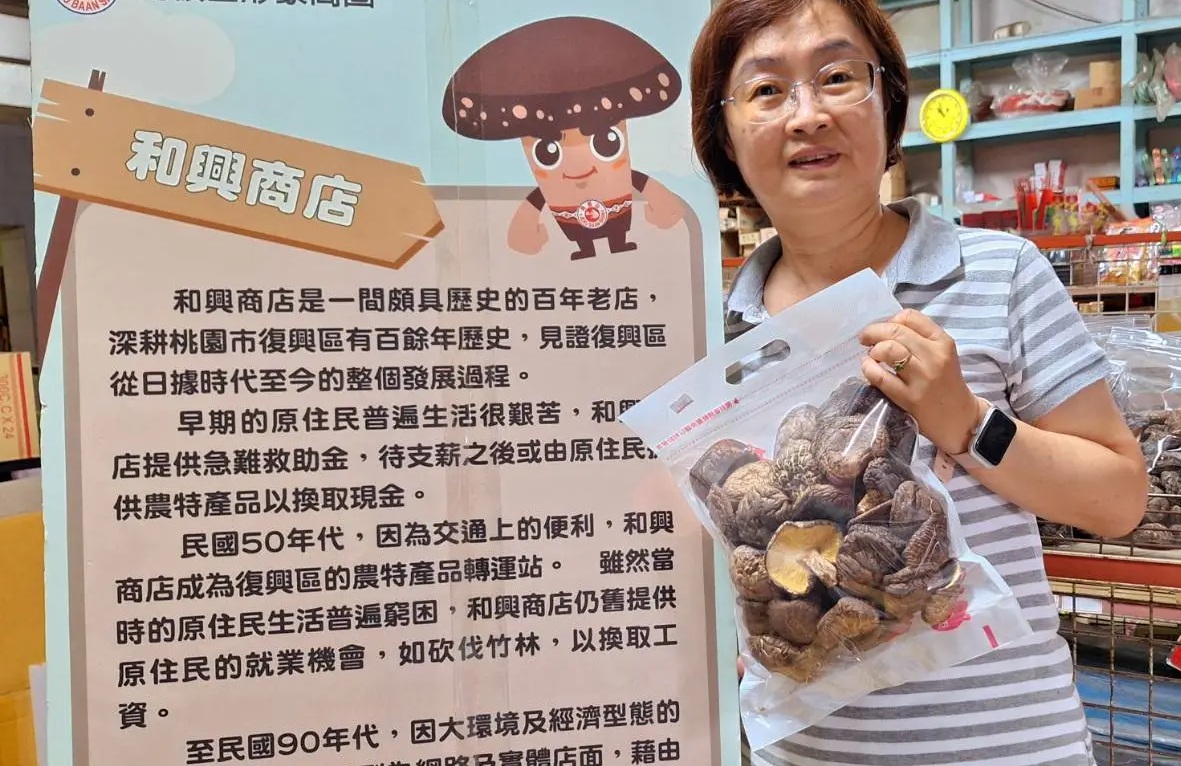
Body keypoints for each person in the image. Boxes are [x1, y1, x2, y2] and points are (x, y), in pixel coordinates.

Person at [689, 0, 1148, 763]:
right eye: (766, 90)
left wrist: (964, 420)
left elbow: (1119, 501)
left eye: (837, 77)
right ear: (723, 136)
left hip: (1010, 748)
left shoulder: (1001, 273)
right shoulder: (710, 331)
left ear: (889, 103)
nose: (807, 114)